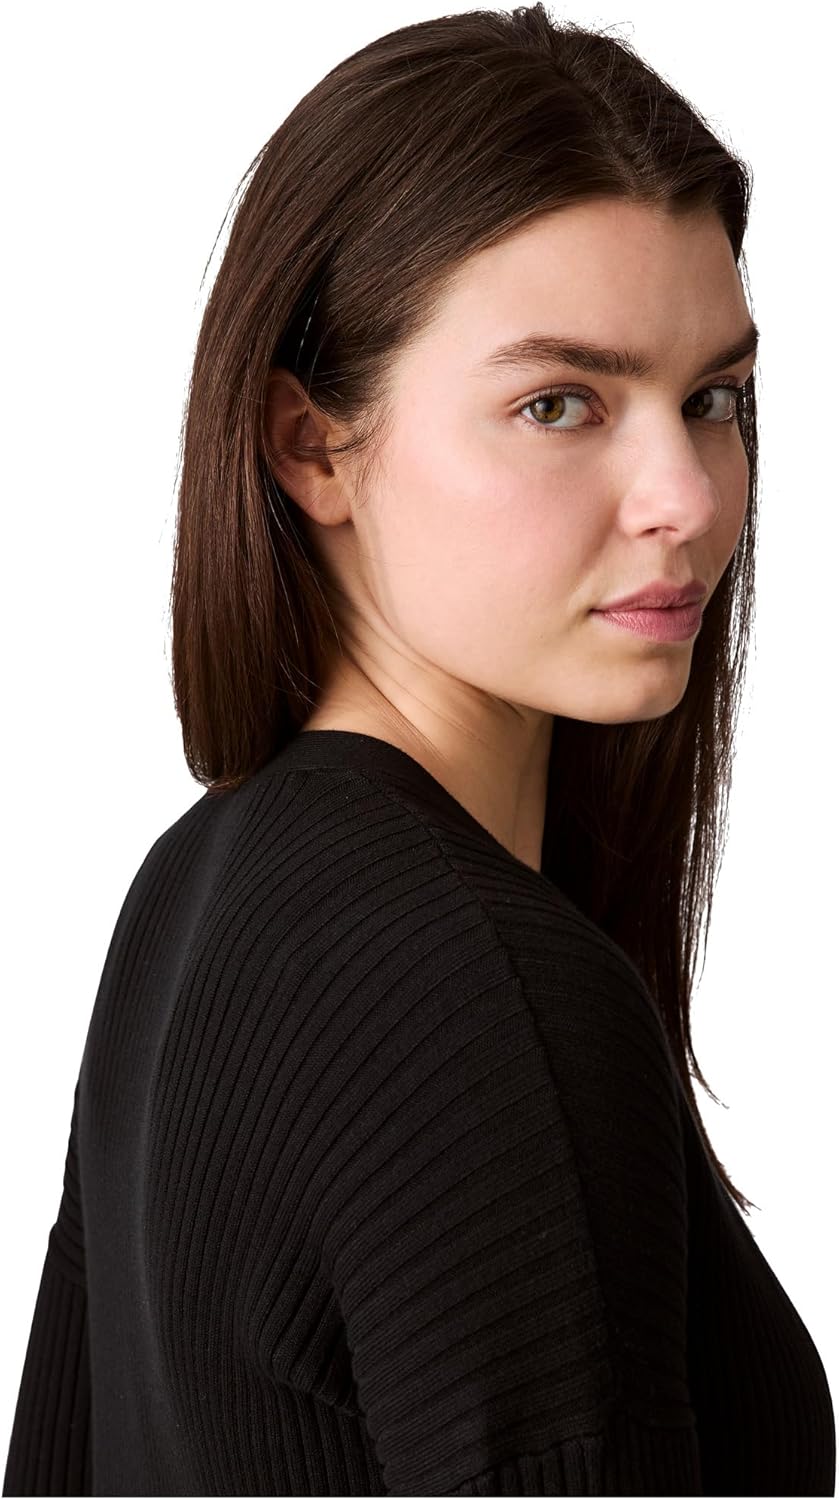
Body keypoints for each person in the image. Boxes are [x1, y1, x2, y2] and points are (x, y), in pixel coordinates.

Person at [3, 5, 835, 1496]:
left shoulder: (193, 891)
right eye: (558, 404)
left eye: (713, 399)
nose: (689, 498)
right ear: (314, 444)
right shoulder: (478, 989)